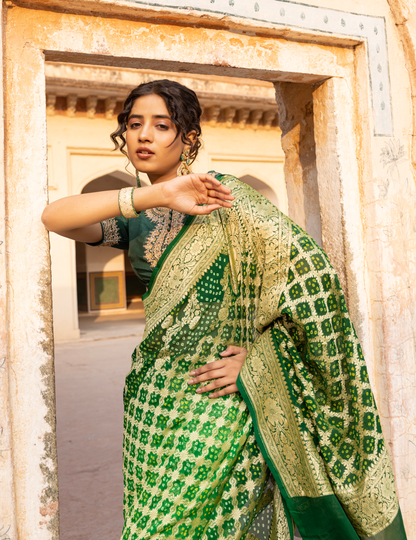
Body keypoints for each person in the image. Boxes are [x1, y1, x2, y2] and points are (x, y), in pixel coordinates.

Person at [42, 79, 407, 540]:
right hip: (152, 403)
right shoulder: (134, 217)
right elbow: (53, 216)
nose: (144, 136)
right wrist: (155, 195)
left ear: (189, 138)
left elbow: (312, 282)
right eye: (134, 125)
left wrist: (256, 362)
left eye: (162, 125)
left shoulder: (227, 198)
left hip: (220, 399)